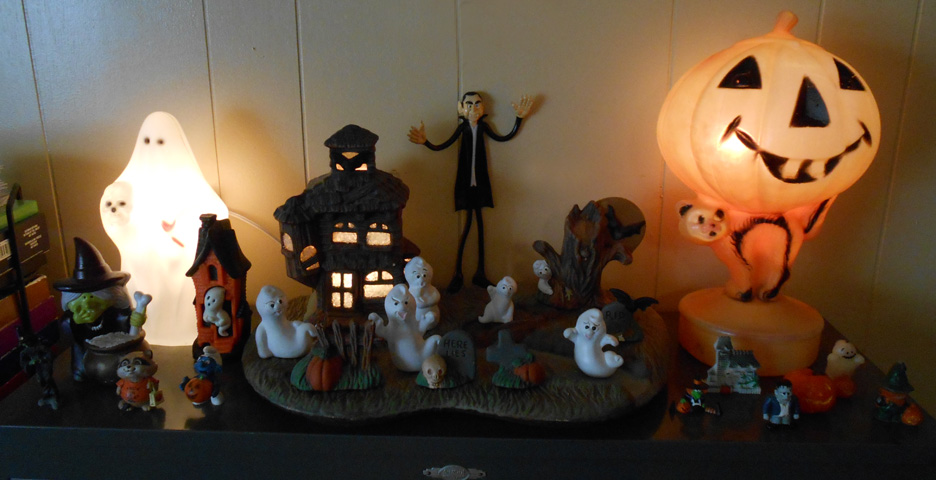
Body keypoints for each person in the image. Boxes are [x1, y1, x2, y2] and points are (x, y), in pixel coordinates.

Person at [409, 92, 533, 292]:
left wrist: (519, 119)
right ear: (461, 108)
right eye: (469, 104)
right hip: (465, 185)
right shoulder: (463, 128)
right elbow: (443, 145)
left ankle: (480, 274)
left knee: (481, 227)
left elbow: (504, 137)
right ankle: (458, 273)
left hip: (480, 184)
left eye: (477, 104)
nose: (473, 109)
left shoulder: (483, 127)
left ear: (483, 108)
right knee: (467, 227)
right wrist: (426, 142)